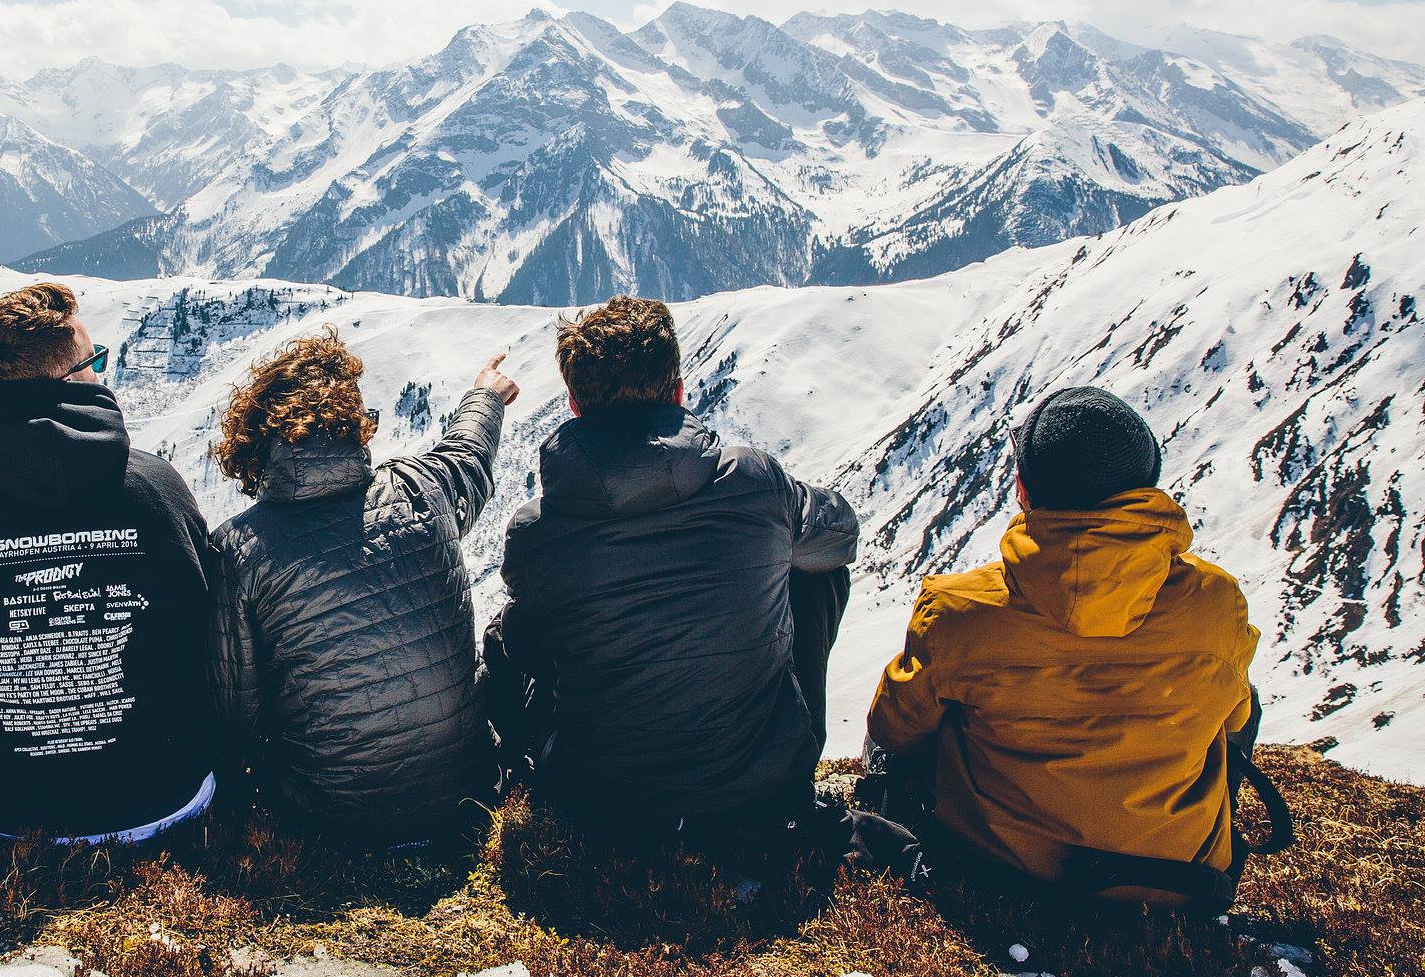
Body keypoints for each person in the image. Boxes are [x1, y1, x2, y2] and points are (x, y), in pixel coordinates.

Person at [864, 386, 1263, 906]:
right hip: (1173, 884)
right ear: (1146, 490)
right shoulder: (1217, 602)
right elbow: (1233, 723)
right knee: (1240, 694)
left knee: (916, 697)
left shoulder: (959, 610)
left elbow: (895, 730)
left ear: (1022, 489)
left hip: (998, 874)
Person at [487, 296, 859, 844]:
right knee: (816, 569)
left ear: (573, 404)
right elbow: (841, 535)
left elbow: (526, 648)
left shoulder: (535, 531)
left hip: (602, 805)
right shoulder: (753, 482)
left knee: (514, 627)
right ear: (679, 390)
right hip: (764, 786)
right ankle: (783, 739)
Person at [0, 282, 216, 843]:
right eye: (94, 361)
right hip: (161, 790)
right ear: (69, 379)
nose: (101, 373)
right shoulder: (154, 488)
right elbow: (201, 606)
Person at [208, 331, 517, 845]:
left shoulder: (240, 551)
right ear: (355, 422)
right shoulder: (421, 489)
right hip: (467, 795)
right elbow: (468, 456)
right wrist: (486, 395)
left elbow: (236, 715)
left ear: (255, 440)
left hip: (331, 820)